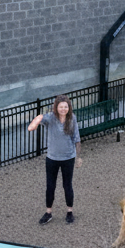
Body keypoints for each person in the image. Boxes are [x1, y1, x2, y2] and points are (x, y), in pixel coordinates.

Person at [27, 95, 82, 224]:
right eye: (61, 107)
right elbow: (39, 120)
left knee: (67, 185)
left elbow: (77, 139)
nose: (63, 109)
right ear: (56, 107)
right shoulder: (50, 118)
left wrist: (78, 157)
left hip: (68, 157)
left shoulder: (72, 118)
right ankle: (48, 212)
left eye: (65, 107)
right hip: (52, 158)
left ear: (69, 107)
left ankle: (69, 212)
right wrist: (36, 121)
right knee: (50, 186)